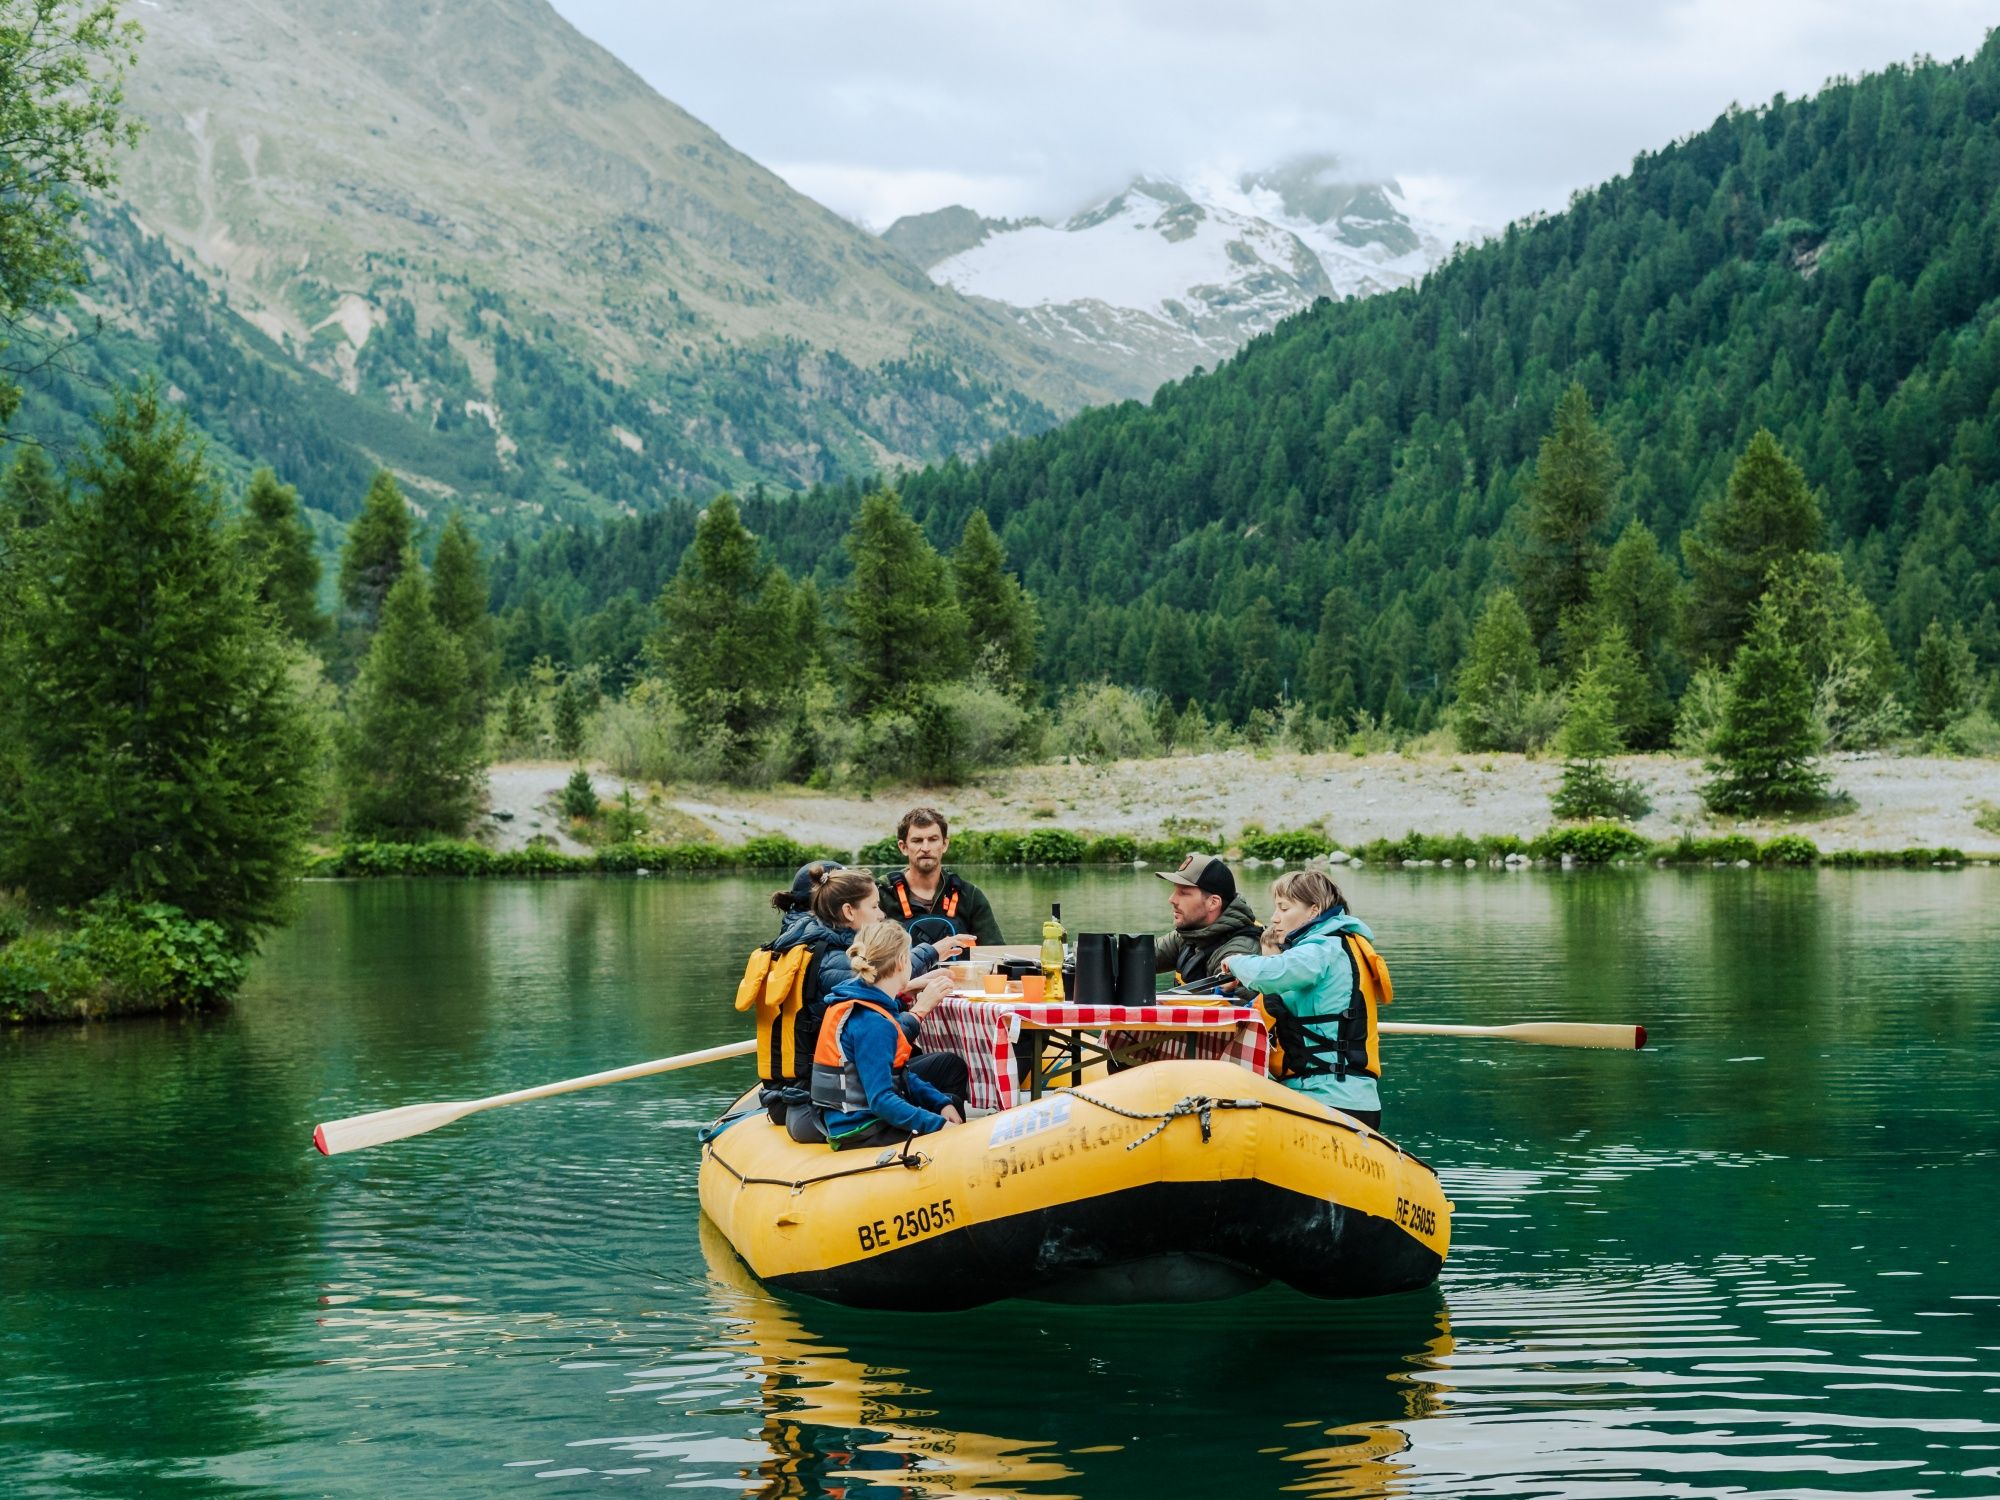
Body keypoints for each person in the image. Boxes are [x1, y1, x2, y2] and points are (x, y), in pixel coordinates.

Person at [766, 865, 973, 1139]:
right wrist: (920, 1006)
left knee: (934, 1075)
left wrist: (905, 986)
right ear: (849, 912)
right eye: (875, 906)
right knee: (942, 1070)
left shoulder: (817, 944)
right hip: (816, 1104)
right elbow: (877, 1031)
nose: (881, 914)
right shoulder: (833, 960)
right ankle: (950, 1148)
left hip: (812, 1091)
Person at [1221, 869, 1384, 1130]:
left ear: (1313, 910)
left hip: (1331, 1099)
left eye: (1284, 909)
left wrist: (1236, 962)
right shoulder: (1335, 944)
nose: (1274, 919)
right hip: (1344, 1099)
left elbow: (1277, 972)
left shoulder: (1323, 948)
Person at [811, 922, 969, 1150]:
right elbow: (881, 1100)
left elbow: (899, 1074)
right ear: (902, 962)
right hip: (860, 1129)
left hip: (850, 1120)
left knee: (948, 1102)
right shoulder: (873, 1023)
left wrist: (941, 1103)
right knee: (943, 1124)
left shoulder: (858, 1001)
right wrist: (940, 1125)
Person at [879, 807, 1004, 946]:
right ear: (903, 847)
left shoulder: (970, 896)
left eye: (933, 839)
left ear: (944, 844)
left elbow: (994, 951)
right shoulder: (881, 895)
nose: (926, 848)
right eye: (917, 840)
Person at [1152, 853, 1263, 987]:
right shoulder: (1191, 933)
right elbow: (1137, 957)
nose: (1172, 899)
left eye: (1184, 893)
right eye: (1175, 890)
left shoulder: (1239, 953)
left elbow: (1227, 1006)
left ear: (1213, 903)